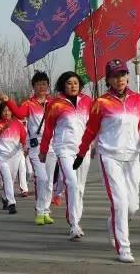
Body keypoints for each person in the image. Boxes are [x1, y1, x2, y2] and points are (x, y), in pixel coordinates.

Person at [74, 59, 140, 262]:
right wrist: (81, 154)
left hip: (132, 157)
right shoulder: (101, 103)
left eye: (123, 74)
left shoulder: (138, 100)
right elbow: (90, 131)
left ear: (128, 76)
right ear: (108, 79)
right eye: (115, 76)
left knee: (132, 206)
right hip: (109, 157)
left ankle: (113, 223)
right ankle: (123, 248)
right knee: (120, 202)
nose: (120, 79)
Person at [39, 71, 92, 241]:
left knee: (81, 187)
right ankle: (73, 223)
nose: (73, 86)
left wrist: (96, 144)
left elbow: (94, 125)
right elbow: (48, 130)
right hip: (64, 149)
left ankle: (77, 219)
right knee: (72, 183)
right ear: (63, 85)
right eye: (69, 83)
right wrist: (43, 149)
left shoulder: (88, 101)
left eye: (76, 83)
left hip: (83, 149)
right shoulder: (56, 104)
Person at [0, 71, 56, 226]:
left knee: (50, 181)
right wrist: (8, 101)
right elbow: (18, 114)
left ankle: (46, 211)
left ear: (48, 85)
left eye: (44, 83)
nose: (42, 87)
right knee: (42, 178)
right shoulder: (29, 104)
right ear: (33, 87)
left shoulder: (53, 102)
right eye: (38, 84)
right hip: (36, 146)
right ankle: (39, 211)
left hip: (52, 144)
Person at [0, 102, 27, 214]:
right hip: (2, 156)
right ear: (1, 112)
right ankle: (11, 203)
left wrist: (25, 147)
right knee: (7, 179)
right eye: (4, 110)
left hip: (15, 155)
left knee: (11, 179)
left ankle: (5, 197)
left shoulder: (18, 124)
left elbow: (24, 138)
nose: (7, 112)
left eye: (9, 110)